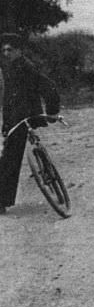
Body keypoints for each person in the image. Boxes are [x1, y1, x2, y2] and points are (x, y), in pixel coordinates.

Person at [0, 33, 61, 215]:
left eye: (10, 49)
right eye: (3, 50)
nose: (6, 53)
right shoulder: (10, 67)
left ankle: (1, 201)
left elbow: (48, 86)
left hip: (25, 118)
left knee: (9, 158)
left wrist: (51, 112)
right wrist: (5, 124)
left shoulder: (26, 67)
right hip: (15, 119)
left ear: (19, 50)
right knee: (9, 155)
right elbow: (9, 100)